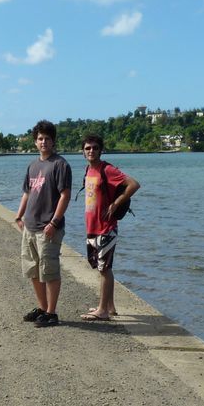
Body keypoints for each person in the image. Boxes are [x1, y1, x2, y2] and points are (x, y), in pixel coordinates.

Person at [15, 120, 72, 328]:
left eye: (47, 138)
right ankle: (42, 307)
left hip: (48, 227)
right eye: (40, 138)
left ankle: (51, 312)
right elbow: (27, 193)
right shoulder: (33, 165)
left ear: (53, 141)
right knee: (34, 270)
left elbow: (65, 195)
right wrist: (19, 216)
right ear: (35, 141)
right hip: (30, 226)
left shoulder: (60, 164)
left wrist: (54, 222)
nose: (44, 142)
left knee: (49, 271)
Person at [80, 133, 140, 321]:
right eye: (88, 148)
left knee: (104, 268)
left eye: (95, 148)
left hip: (106, 227)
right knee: (101, 267)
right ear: (83, 151)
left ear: (101, 150)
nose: (91, 151)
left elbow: (134, 184)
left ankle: (102, 311)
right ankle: (110, 307)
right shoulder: (89, 170)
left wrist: (116, 203)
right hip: (92, 226)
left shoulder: (108, 170)